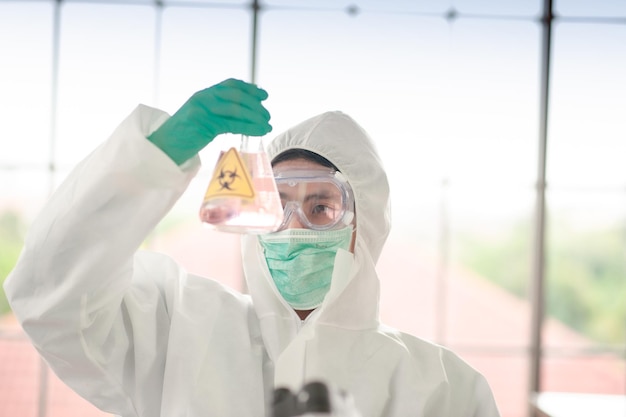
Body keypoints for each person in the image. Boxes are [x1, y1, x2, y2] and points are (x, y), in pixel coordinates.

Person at [5, 78, 501, 417]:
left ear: (365, 224)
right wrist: (156, 154)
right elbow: (51, 293)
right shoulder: (178, 325)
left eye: (321, 207)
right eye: (277, 204)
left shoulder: (445, 387)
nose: (292, 227)